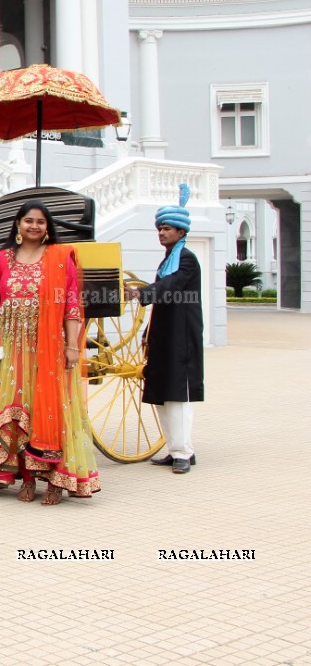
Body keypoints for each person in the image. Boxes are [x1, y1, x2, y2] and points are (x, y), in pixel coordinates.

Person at [0, 201, 101, 504]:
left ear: (48, 227)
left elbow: (70, 306)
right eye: (29, 221)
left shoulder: (60, 259)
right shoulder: (0, 259)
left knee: (49, 409)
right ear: (17, 224)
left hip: (48, 346)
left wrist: (71, 346)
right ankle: (25, 478)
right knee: (17, 408)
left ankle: (54, 480)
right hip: (11, 346)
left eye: (41, 222)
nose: (35, 226)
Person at [125, 184, 204, 474]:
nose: (162, 233)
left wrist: (140, 292)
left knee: (178, 396)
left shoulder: (186, 259)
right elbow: (162, 295)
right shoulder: (168, 260)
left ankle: (184, 453)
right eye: (160, 229)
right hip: (164, 336)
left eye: (168, 229)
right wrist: (148, 332)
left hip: (181, 338)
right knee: (162, 393)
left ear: (182, 233)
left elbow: (168, 288)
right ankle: (176, 449)